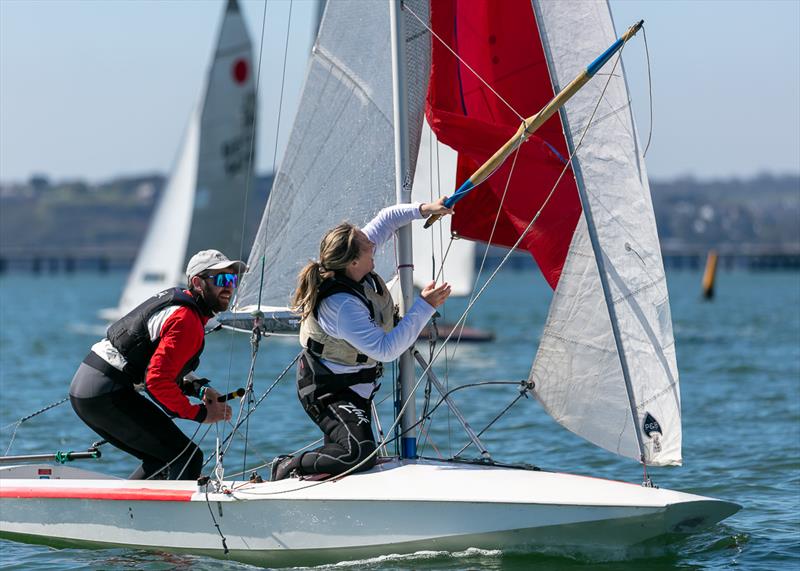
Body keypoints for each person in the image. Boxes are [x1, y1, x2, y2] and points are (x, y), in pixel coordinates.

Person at [271, 199, 453, 481]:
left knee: (351, 453)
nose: (372, 244)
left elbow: (388, 218)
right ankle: (288, 465)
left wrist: (427, 209)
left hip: (355, 385)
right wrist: (424, 306)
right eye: (366, 244)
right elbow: (386, 349)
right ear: (353, 260)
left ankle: (329, 481)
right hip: (327, 389)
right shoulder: (343, 305)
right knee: (359, 454)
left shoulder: (355, 259)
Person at [69, 249, 245, 480]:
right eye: (222, 279)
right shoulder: (186, 319)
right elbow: (157, 381)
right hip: (105, 392)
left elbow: (161, 367)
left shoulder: (186, 311)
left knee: (163, 458)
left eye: (233, 279)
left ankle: (127, 514)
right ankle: (170, 516)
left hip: (91, 388)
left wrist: (199, 388)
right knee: (187, 457)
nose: (229, 287)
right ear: (197, 283)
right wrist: (201, 414)